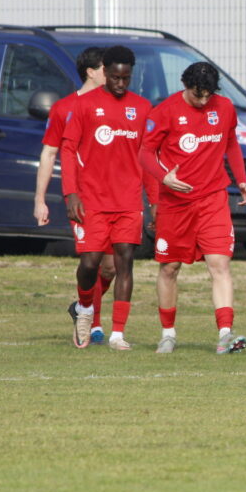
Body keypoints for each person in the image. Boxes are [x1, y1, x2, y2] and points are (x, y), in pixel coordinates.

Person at [139, 61, 246, 355]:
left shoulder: (225, 107)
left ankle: (225, 334)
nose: (203, 101)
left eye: (207, 96)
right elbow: (145, 153)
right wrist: (164, 177)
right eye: (197, 95)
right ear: (185, 86)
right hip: (175, 205)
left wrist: (241, 180)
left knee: (220, 265)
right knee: (170, 267)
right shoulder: (164, 111)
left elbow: (230, 144)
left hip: (213, 199)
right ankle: (167, 333)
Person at [60, 46, 155, 350]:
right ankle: (85, 309)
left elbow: (148, 157)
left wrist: (154, 202)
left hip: (128, 201)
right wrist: (71, 193)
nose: (120, 83)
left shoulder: (142, 108)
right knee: (89, 264)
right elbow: (68, 151)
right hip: (92, 200)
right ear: (104, 71)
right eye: (115, 77)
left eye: (126, 78)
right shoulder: (86, 105)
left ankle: (117, 334)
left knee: (124, 262)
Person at [35, 46, 116, 343]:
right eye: (107, 69)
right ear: (92, 72)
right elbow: (49, 153)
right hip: (82, 200)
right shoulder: (64, 108)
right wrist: (39, 199)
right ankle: (91, 322)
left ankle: (82, 306)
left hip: (114, 200)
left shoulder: (116, 106)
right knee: (90, 260)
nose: (115, 76)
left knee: (111, 266)